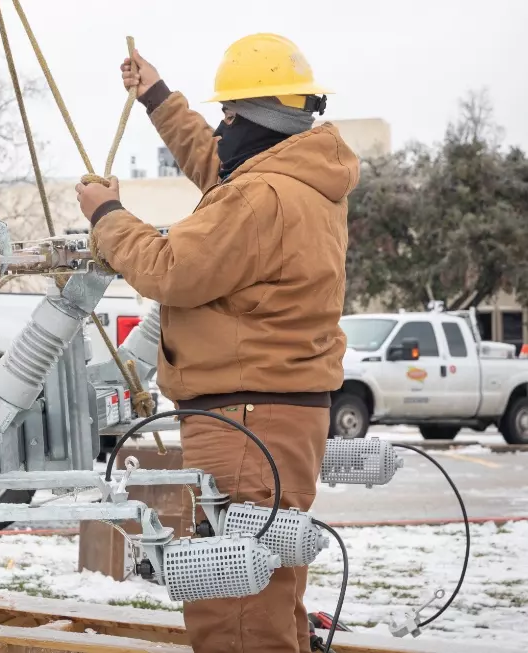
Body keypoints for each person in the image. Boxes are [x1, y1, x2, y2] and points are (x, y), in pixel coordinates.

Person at [74, 34, 359, 653]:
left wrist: (108, 216)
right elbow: (219, 165)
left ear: (262, 119)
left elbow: (170, 269)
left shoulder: (260, 199)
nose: (223, 128)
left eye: (231, 115)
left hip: (244, 419)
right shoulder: (299, 179)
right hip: (278, 414)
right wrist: (156, 97)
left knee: (234, 609)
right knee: (268, 587)